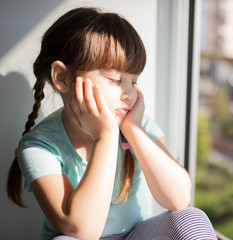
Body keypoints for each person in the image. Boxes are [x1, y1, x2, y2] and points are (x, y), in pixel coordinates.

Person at [7, 7, 217, 240]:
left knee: (192, 219)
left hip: (136, 234)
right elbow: (81, 230)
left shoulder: (137, 124)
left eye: (134, 81)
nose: (129, 93)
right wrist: (105, 137)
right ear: (62, 78)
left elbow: (178, 198)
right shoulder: (39, 147)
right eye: (115, 79)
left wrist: (133, 130)